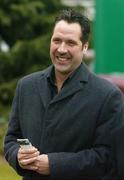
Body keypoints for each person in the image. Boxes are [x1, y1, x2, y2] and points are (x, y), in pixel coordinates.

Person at [4, 9, 124, 179]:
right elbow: (12, 139)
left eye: (70, 43)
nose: (61, 49)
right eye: (57, 40)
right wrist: (17, 155)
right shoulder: (26, 86)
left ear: (85, 47)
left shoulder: (108, 95)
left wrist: (54, 165)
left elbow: (108, 158)